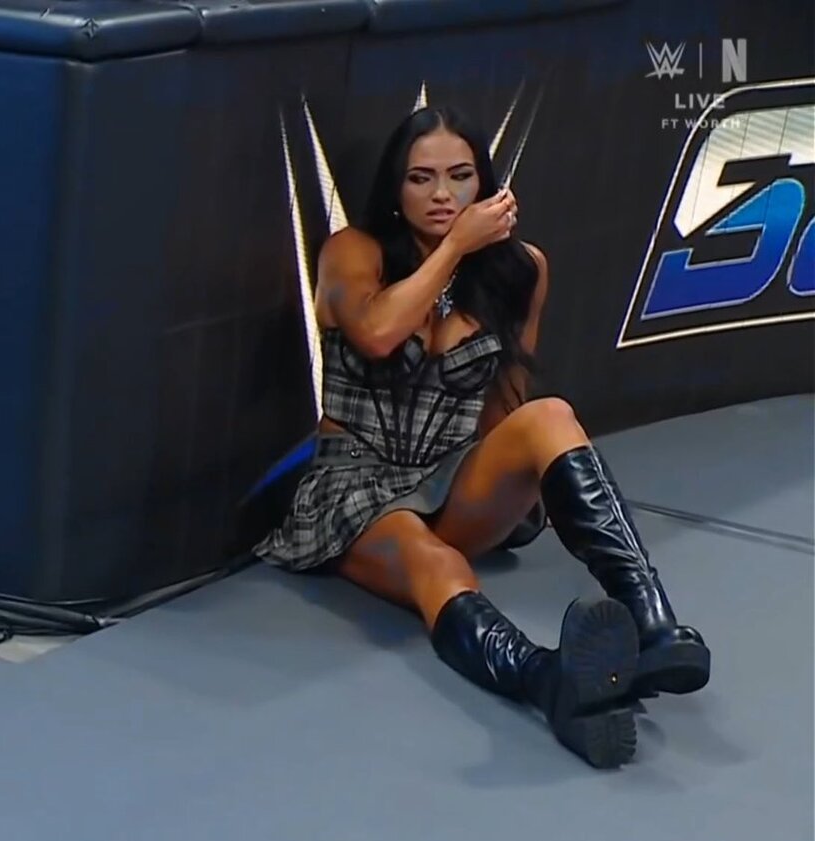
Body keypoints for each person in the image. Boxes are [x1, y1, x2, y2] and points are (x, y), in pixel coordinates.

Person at [255, 106, 709, 769]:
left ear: (485, 183)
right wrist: (454, 249)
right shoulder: (353, 252)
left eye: (460, 176)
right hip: (353, 488)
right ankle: (546, 681)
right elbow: (377, 333)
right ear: (396, 187)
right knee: (436, 565)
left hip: (448, 477)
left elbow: (505, 403)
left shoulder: (520, 269)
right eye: (422, 178)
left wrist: (522, 488)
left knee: (550, 415)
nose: (442, 194)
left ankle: (653, 622)